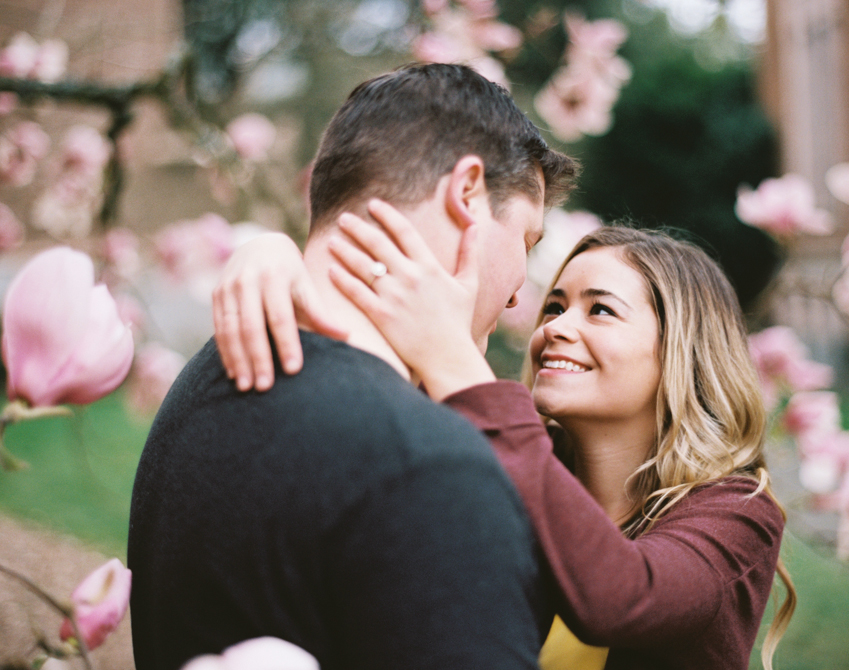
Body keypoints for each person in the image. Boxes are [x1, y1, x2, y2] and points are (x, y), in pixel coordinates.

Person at [128, 62, 579, 670]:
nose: (520, 294)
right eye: (526, 242)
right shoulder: (430, 466)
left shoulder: (206, 378)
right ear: (467, 194)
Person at [212, 210, 797, 670]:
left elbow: (620, 598)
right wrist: (273, 252)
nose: (554, 329)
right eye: (555, 306)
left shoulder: (737, 516)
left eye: (601, 311)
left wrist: (456, 363)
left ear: (680, 352)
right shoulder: (511, 468)